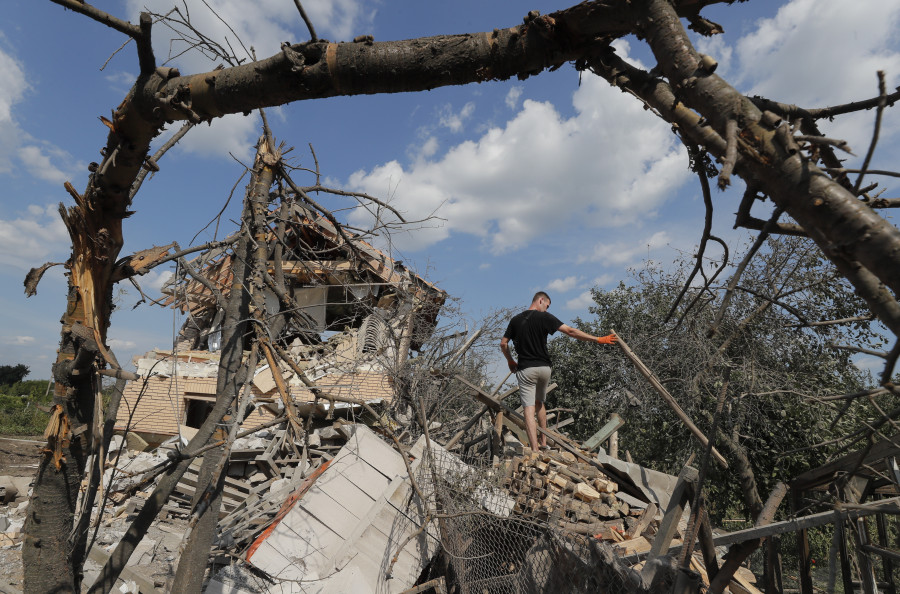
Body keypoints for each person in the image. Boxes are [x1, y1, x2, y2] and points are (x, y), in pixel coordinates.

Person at [500, 291, 617, 451]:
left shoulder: (515, 320)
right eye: (546, 306)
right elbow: (570, 331)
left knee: (528, 408)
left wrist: (510, 360)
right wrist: (597, 339)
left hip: (526, 369)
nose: (546, 310)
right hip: (544, 369)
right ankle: (543, 443)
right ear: (541, 300)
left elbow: (503, 344)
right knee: (539, 403)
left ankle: (535, 450)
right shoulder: (545, 318)